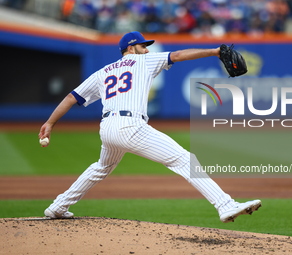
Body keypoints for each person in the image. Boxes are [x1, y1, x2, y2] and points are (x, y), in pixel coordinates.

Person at [39, 31, 261, 223]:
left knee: (101, 167)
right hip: (130, 126)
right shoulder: (143, 61)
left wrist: (49, 123)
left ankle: (58, 206)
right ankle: (225, 205)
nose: (146, 50)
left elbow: (71, 97)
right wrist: (214, 51)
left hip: (107, 127)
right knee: (184, 159)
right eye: (143, 46)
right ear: (130, 47)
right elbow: (178, 55)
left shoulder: (103, 72)